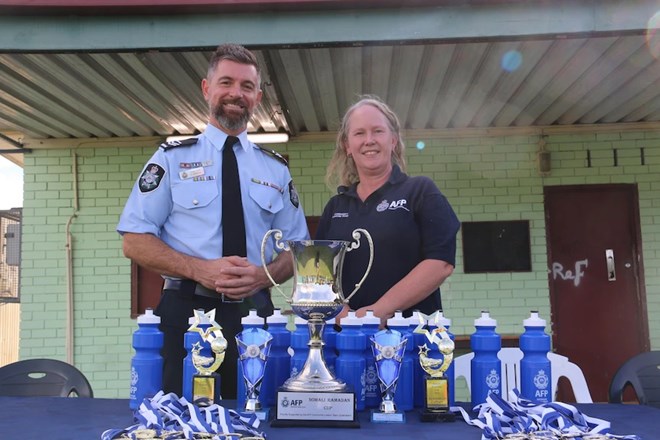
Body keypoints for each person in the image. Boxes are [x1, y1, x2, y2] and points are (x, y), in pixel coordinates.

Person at [117, 43, 309, 399]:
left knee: (259, 417)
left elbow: (298, 250)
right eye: (226, 82)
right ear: (207, 89)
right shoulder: (172, 158)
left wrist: (261, 275)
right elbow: (135, 239)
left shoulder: (276, 169)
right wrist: (199, 269)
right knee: (179, 419)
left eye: (247, 86)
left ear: (257, 96)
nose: (236, 93)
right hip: (185, 315)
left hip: (256, 315)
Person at [316, 95, 459, 325]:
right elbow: (318, 272)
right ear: (347, 146)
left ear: (393, 140)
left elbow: (441, 263)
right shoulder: (335, 207)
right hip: (347, 342)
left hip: (414, 341)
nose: (369, 140)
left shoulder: (420, 191)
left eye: (378, 131)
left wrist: (379, 312)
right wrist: (338, 310)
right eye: (359, 133)